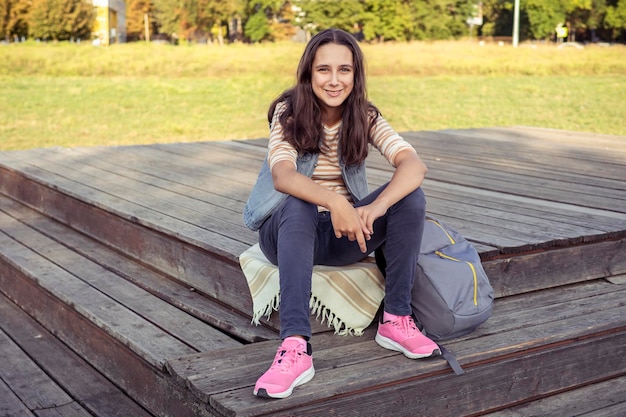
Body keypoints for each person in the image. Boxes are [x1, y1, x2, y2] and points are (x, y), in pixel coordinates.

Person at [243, 28, 440, 399]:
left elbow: (413, 164)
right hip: (284, 230)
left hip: (341, 235)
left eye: (344, 70)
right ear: (308, 73)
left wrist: (375, 206)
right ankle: (295, 346)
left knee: (410, 197)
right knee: (299, 201)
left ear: (356, 74)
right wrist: (336, 202)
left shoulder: (364, 115)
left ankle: (396, 319)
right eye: (324, 70)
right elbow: (283, 175)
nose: (334, 81)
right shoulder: (288, 112)